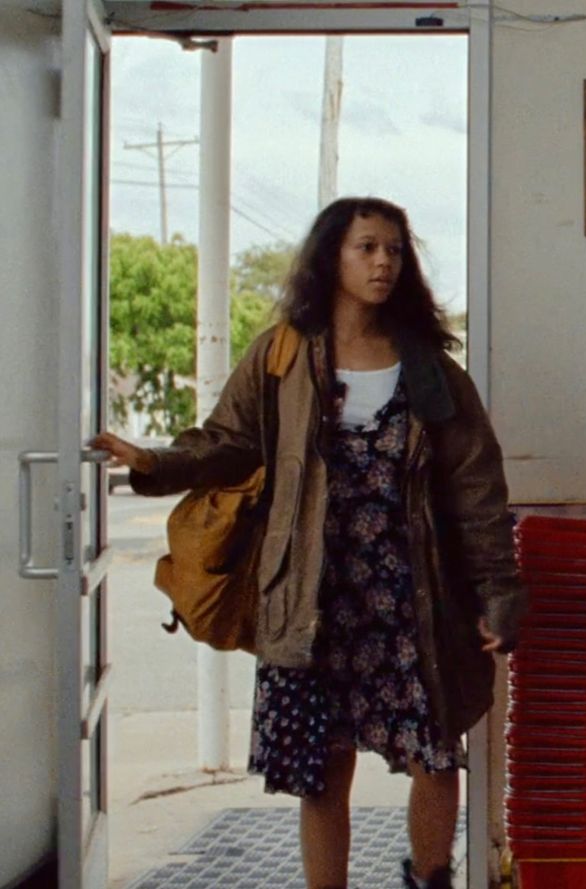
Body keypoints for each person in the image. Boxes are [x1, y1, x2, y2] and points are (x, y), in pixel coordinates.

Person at [93, 196, 525, 889]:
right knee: (323, 766)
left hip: (411, 593)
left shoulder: (429, 367)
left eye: (394, 249)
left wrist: (500, 589)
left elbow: (476, 483)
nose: (383, 261)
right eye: (367, 247)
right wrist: (153, 462)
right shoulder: (284, 354)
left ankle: (432, 876)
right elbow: (229, 443)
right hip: (312, 595)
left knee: (435, 752)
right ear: (332, 257)